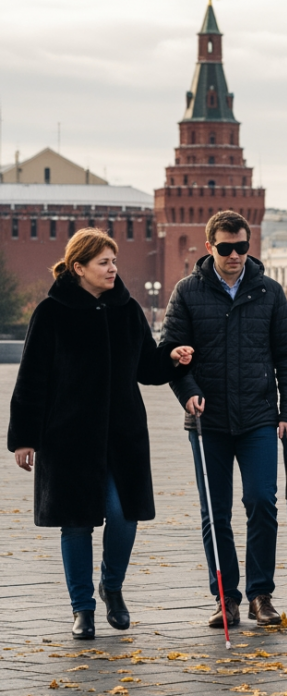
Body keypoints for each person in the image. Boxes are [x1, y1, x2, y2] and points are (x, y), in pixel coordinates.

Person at [9, 229, 193, 639]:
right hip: (68, 438)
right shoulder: (51, 312)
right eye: (104, 263)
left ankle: (111, 586)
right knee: (75, 523)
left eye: (114, 261)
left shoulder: (127, 311)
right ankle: (82, 608)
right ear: (79, 268)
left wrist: (173, 358)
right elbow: (31, 380)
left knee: (124, 515)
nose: (113, 269)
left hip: (123, 436)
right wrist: (25, 437)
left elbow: (147, 367)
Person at [162, 211, 287, 629]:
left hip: (260, 418)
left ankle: (262, 595)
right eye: (226, 248)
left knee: (262, 502)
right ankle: (226, 599)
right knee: (215, 514)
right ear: (210, 248)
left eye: (242, 247)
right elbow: (172, 352)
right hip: (208, 423)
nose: (236, 255)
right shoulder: (187, 292)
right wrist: (188, 393)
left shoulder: (269, 292)